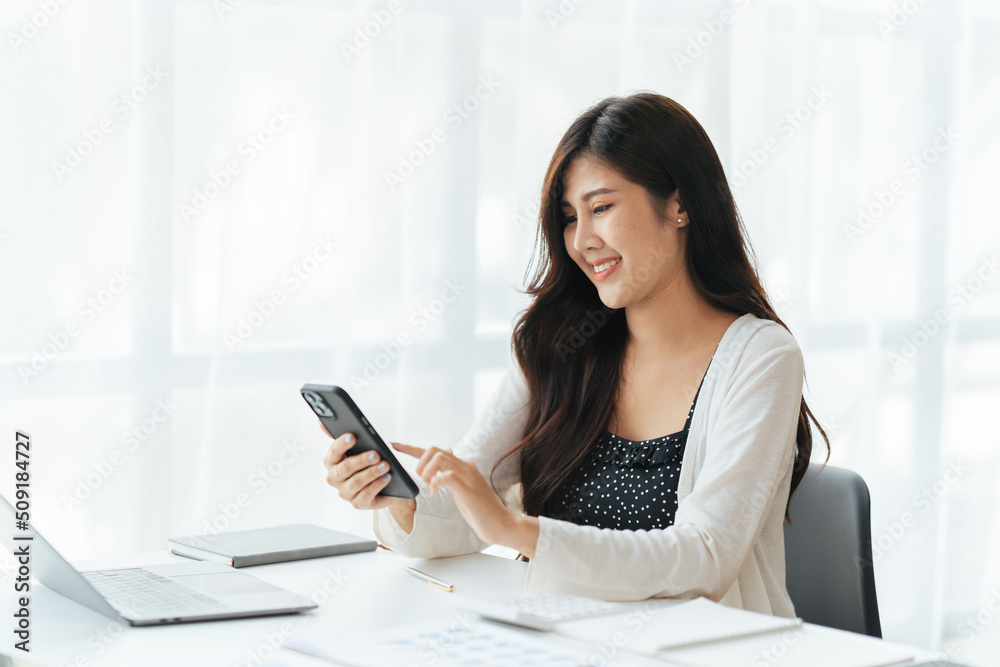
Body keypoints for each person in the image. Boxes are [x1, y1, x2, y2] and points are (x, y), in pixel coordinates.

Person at [321, 92, 827, 616]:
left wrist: (518, 530)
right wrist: (399, 499)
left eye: (601, 208)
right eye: (568, 217)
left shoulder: (761, 358)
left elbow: (705, 558)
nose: (582, 240)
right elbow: (470, 501)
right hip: (564, 641)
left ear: (679, 205)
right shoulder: (562, 344)